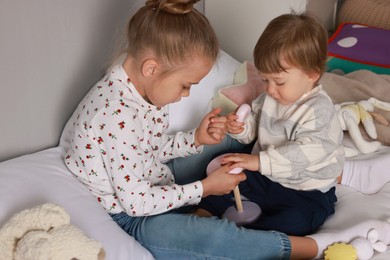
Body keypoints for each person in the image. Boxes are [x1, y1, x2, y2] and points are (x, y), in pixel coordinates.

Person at [64, 1, 390, 259]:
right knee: (212, 205)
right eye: (185, 85)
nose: (186, 95)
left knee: (242, 175)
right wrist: (208, 184)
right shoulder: (112, 116)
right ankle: (225, 217)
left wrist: (194, 140)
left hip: (297, 185)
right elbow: (136, 203)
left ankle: (319, 238)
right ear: (152, 68)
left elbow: (146, 148)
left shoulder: (135, 94)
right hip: (138, 210)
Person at [198, 13, 344, 236]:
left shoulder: (319, 110)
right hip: (266, 174)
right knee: (221, 167)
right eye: (265, 79)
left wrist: (258, 161)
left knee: (299, 220)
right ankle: (204, 213)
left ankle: (253, 236)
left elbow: (302, 154)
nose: (269, 89)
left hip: (305, 188)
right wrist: (242, 127)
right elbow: (255, 124)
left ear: (311, 75)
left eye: (279, 81)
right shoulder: (270, 97)